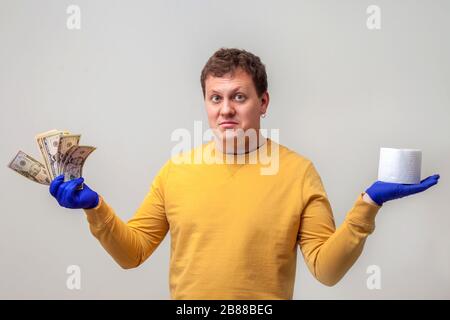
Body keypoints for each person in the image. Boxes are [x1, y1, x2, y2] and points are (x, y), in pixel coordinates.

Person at [49, 48, 440, 300]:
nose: (225, 110)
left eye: (239, 96)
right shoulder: (176, 171)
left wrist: (368, 205)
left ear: (263, 101)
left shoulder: (298, 172)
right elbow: (132, 253)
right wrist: (95, 207)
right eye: (215, 98)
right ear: (205, 102)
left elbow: (326, 270)